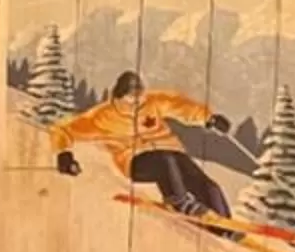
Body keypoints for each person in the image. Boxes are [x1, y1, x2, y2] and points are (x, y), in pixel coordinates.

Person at [47, 69, 234, 221]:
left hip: (170, 153)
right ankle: (178, 201)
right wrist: (63, 154)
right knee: (165, 161)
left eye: (140, 97)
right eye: (130, 99)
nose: (136, 103)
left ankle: (224, 221)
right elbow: (64, 130)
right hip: (135, 161)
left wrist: (209, 118)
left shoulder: (153, 102)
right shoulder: (103, 116)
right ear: (118, 97)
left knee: (206, 184)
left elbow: (180, 106)